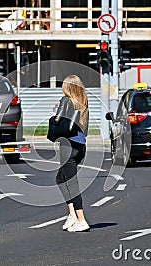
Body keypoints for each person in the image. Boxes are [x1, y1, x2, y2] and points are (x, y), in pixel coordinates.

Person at [52, 75, 90, 232]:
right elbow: (85, 130)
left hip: (68, 146)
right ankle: (72, 214)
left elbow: (57, 120)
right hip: (80, 147)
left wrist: (54, 115)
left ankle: (81, 219)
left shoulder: (65, 100)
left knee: (72, 184)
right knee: (61, 178)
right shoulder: (83, 104)